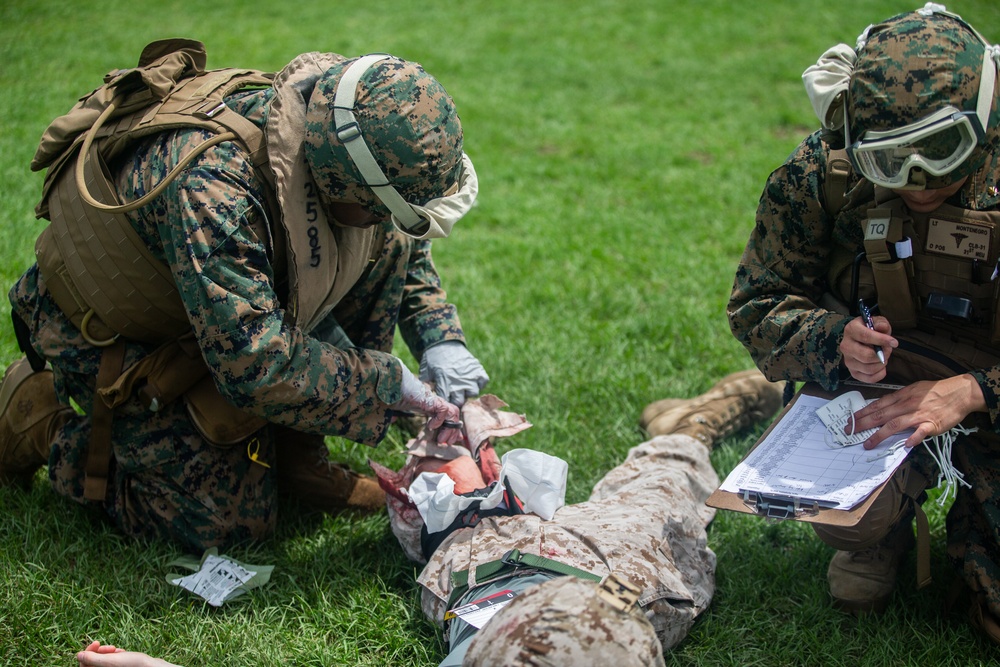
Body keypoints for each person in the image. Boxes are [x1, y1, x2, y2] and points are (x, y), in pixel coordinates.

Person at [0, 40, 489, 552]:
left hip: (219, 308)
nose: (384, 224)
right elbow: (253, 364)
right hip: (118, 335)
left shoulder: (333, 134)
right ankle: (40, 421)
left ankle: (298, 453)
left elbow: (396, 244)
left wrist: (440, 340)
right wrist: (384, 385)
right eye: (378, 208)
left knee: (381, 240)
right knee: (222, 524)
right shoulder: (214, 187)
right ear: (342, 182)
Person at [72, 370, 784, 666]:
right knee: (664, 482)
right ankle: (692, 421)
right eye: (424, 458)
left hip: (514, 585)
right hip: (608, 577)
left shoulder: (458, 542)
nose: (422, 456)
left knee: (655, 488)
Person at [728, 2, 1000, 640]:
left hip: (988, 379)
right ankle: (873, 537)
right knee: (844, 514)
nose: (918, 181)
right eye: (890, 160)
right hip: (879, 381)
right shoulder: (822, 172)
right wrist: (833, 342)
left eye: (939, 151)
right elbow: (758, 303)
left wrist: (974, 392)